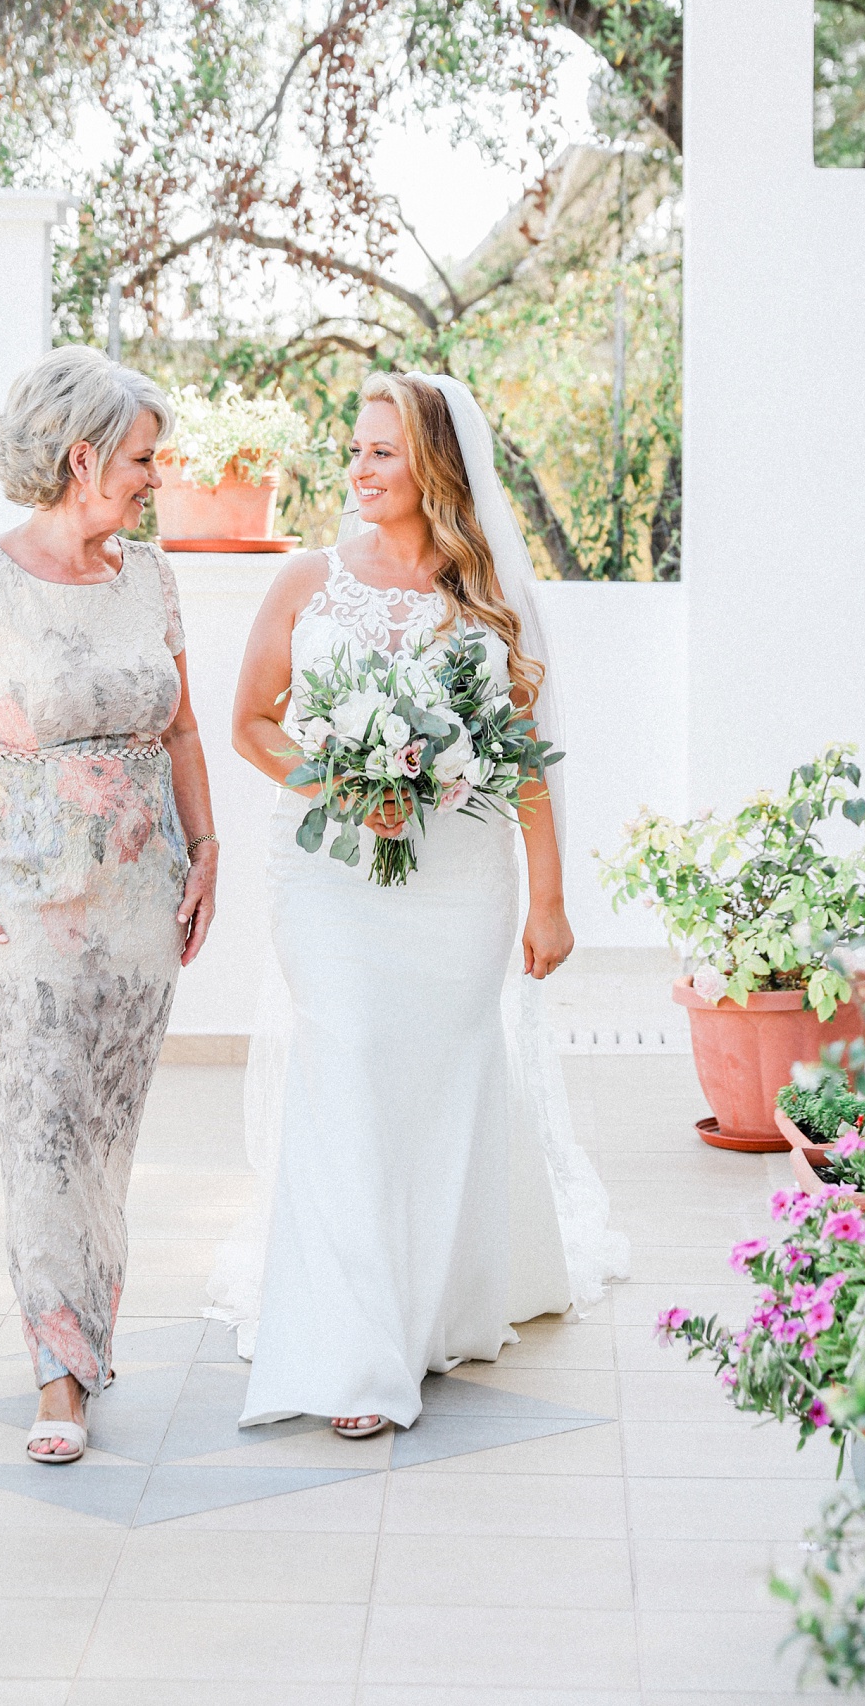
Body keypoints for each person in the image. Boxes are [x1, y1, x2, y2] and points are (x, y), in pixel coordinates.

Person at [221, 370, 626, 1436]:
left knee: (444, 1075)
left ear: (434, 465)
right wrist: (344, 783)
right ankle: (354, 1352)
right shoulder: (309, 579)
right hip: (330, 882)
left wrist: (551, 898)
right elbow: (251, 725)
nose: (357, 467)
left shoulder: (488, 594)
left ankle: (435, 1302)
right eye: (354, 448)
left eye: (382, 451)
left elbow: (526, 756)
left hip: (459, 883)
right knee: (347, 1057)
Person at [0, 348, 217, 1465]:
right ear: (85, 457)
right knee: (44, 1131)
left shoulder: (151, 577)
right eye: (142, 459)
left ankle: (90, 1322)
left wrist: (208, 848)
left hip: (142, 903)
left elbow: (182, 728)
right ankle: (59, 1374)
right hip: (28, 901)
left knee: (108, 1136)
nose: (154, 477)